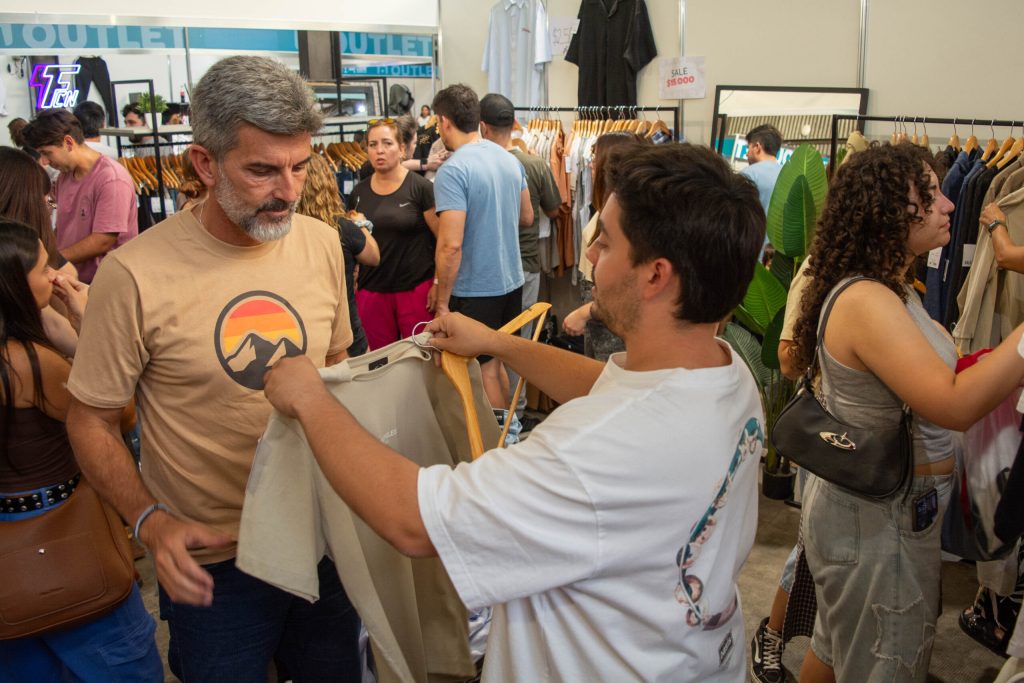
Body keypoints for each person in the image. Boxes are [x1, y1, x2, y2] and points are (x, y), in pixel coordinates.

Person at [263, 143, 767, 681]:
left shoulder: (591, 453)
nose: (590, 252)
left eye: (606, 241)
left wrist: (311, 399)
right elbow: (611, 389)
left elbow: (414, 521)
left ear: (655, 275)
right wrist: (497, 344)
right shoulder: (725, 373)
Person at [64, 55, 361, 682]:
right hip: (216, 563)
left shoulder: (321, 242)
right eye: (262, 170)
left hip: (322, 539)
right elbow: (90, 420)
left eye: (301, 165)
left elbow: (336, 367)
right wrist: (149, 520)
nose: (289, 189)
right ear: (204, 163)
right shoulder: (133, 273)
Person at [790, 143, 1024, 683]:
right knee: (885, 659)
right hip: (879, 520)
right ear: (890, 211)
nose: (949, 204)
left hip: (881, 513)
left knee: (838, 649)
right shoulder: (869, 301)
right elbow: (953, 403)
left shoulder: (891, 290)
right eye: (931, 194)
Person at [0, 218, 162, 681]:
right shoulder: (29, 365)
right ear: (14, 284)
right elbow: (116, 415)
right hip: (64, 539)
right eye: (43, 267)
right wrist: (87, 325)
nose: (55, 274)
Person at [431, 84, 533, 412]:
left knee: (481, 371)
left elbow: (450, 245)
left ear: (444, 121)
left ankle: (496, 439)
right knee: (495, 364)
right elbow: (526, 216)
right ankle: (509, 432)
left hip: (476, 288)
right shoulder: (507, 159)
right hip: (511, 282)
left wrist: (442, 302)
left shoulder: (453, 171)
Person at [349, 117, 438, 350]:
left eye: (387, 143)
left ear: (401, 149)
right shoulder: (358, 193)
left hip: (415, 290)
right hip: (372, 291)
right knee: (379, 361)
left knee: (420, 356)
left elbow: (442, 238)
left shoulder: (421, 188)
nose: (380, 150)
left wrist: (439, 283)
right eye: (373, 144)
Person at [21, 109, 138, 284]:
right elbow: (58, 212)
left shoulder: (111, 179)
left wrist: (53, 260)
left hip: (104, 283)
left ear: (68, 142)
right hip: (74, 278)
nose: (45, 161)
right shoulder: (64, 176)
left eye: (47, 153)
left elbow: (103, 240)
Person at [479, 93, 561, 329]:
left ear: (483, 127)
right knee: (520, 336)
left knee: (488, 335)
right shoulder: (535, 164)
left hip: (487, 265)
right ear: (515, 123)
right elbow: (554, 211)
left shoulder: (474, 165)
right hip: (525, 260)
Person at [563, 132, 648, 360]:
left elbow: (627, 285)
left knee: (608, 370)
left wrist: (588, 311)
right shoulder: (606, 207)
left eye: (595, 157)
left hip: (607, 314)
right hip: (597, 307)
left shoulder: (625, 216)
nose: (590, 164)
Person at [298, 153, 380, 356]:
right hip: (347, 333)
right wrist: (360, 223)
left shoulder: (287, 233)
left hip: (306, 334)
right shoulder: (342, 228)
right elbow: (373, 256)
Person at [741, 124, 783, 213]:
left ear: (757, 147)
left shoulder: (749, 174)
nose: (747, 154)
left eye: (748, 148)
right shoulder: (788, 175)